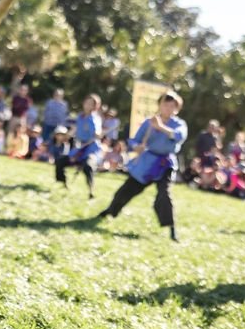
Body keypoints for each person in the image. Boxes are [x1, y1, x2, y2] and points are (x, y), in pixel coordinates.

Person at [98, 92, 188, 241]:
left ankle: (172, 229)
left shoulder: (179, 124)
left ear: (177, 109)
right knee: (125, 191)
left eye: (172, 106)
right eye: (165, 105)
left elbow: (178, 137)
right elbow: (133, 141)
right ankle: (111, 210)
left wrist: (161, 127)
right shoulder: (149, 122)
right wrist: (137, 147)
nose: (168, 109)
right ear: (160, 105)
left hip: (165, 164)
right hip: (147, 162)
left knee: (164, 194)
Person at [67, 94, 103, 199]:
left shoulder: (95, 118)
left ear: (95, 106)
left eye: (90, 104)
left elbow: (97, 129)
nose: (87, 105)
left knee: (88, 165)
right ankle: (63, 183)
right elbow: (76, 128)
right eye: (86, 102)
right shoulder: (80, 116)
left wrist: (97, 134)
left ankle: (91, 190)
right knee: (62, 160)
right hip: (81, 146)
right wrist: (68, 134)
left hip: (91, 148)